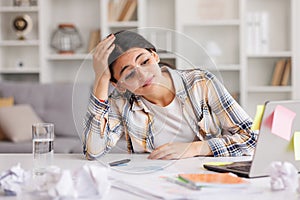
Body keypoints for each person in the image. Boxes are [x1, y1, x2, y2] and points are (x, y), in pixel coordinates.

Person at [83, 30, 257, 160]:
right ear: (118, 85)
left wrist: (195, 149)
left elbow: (252, 139)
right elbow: (93, 152)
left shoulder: (200, 82)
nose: (143, 75)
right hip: (152, 180)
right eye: (129, 74)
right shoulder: (121, 102)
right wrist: (101, 78)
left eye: (145, 61)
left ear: (155, 56)